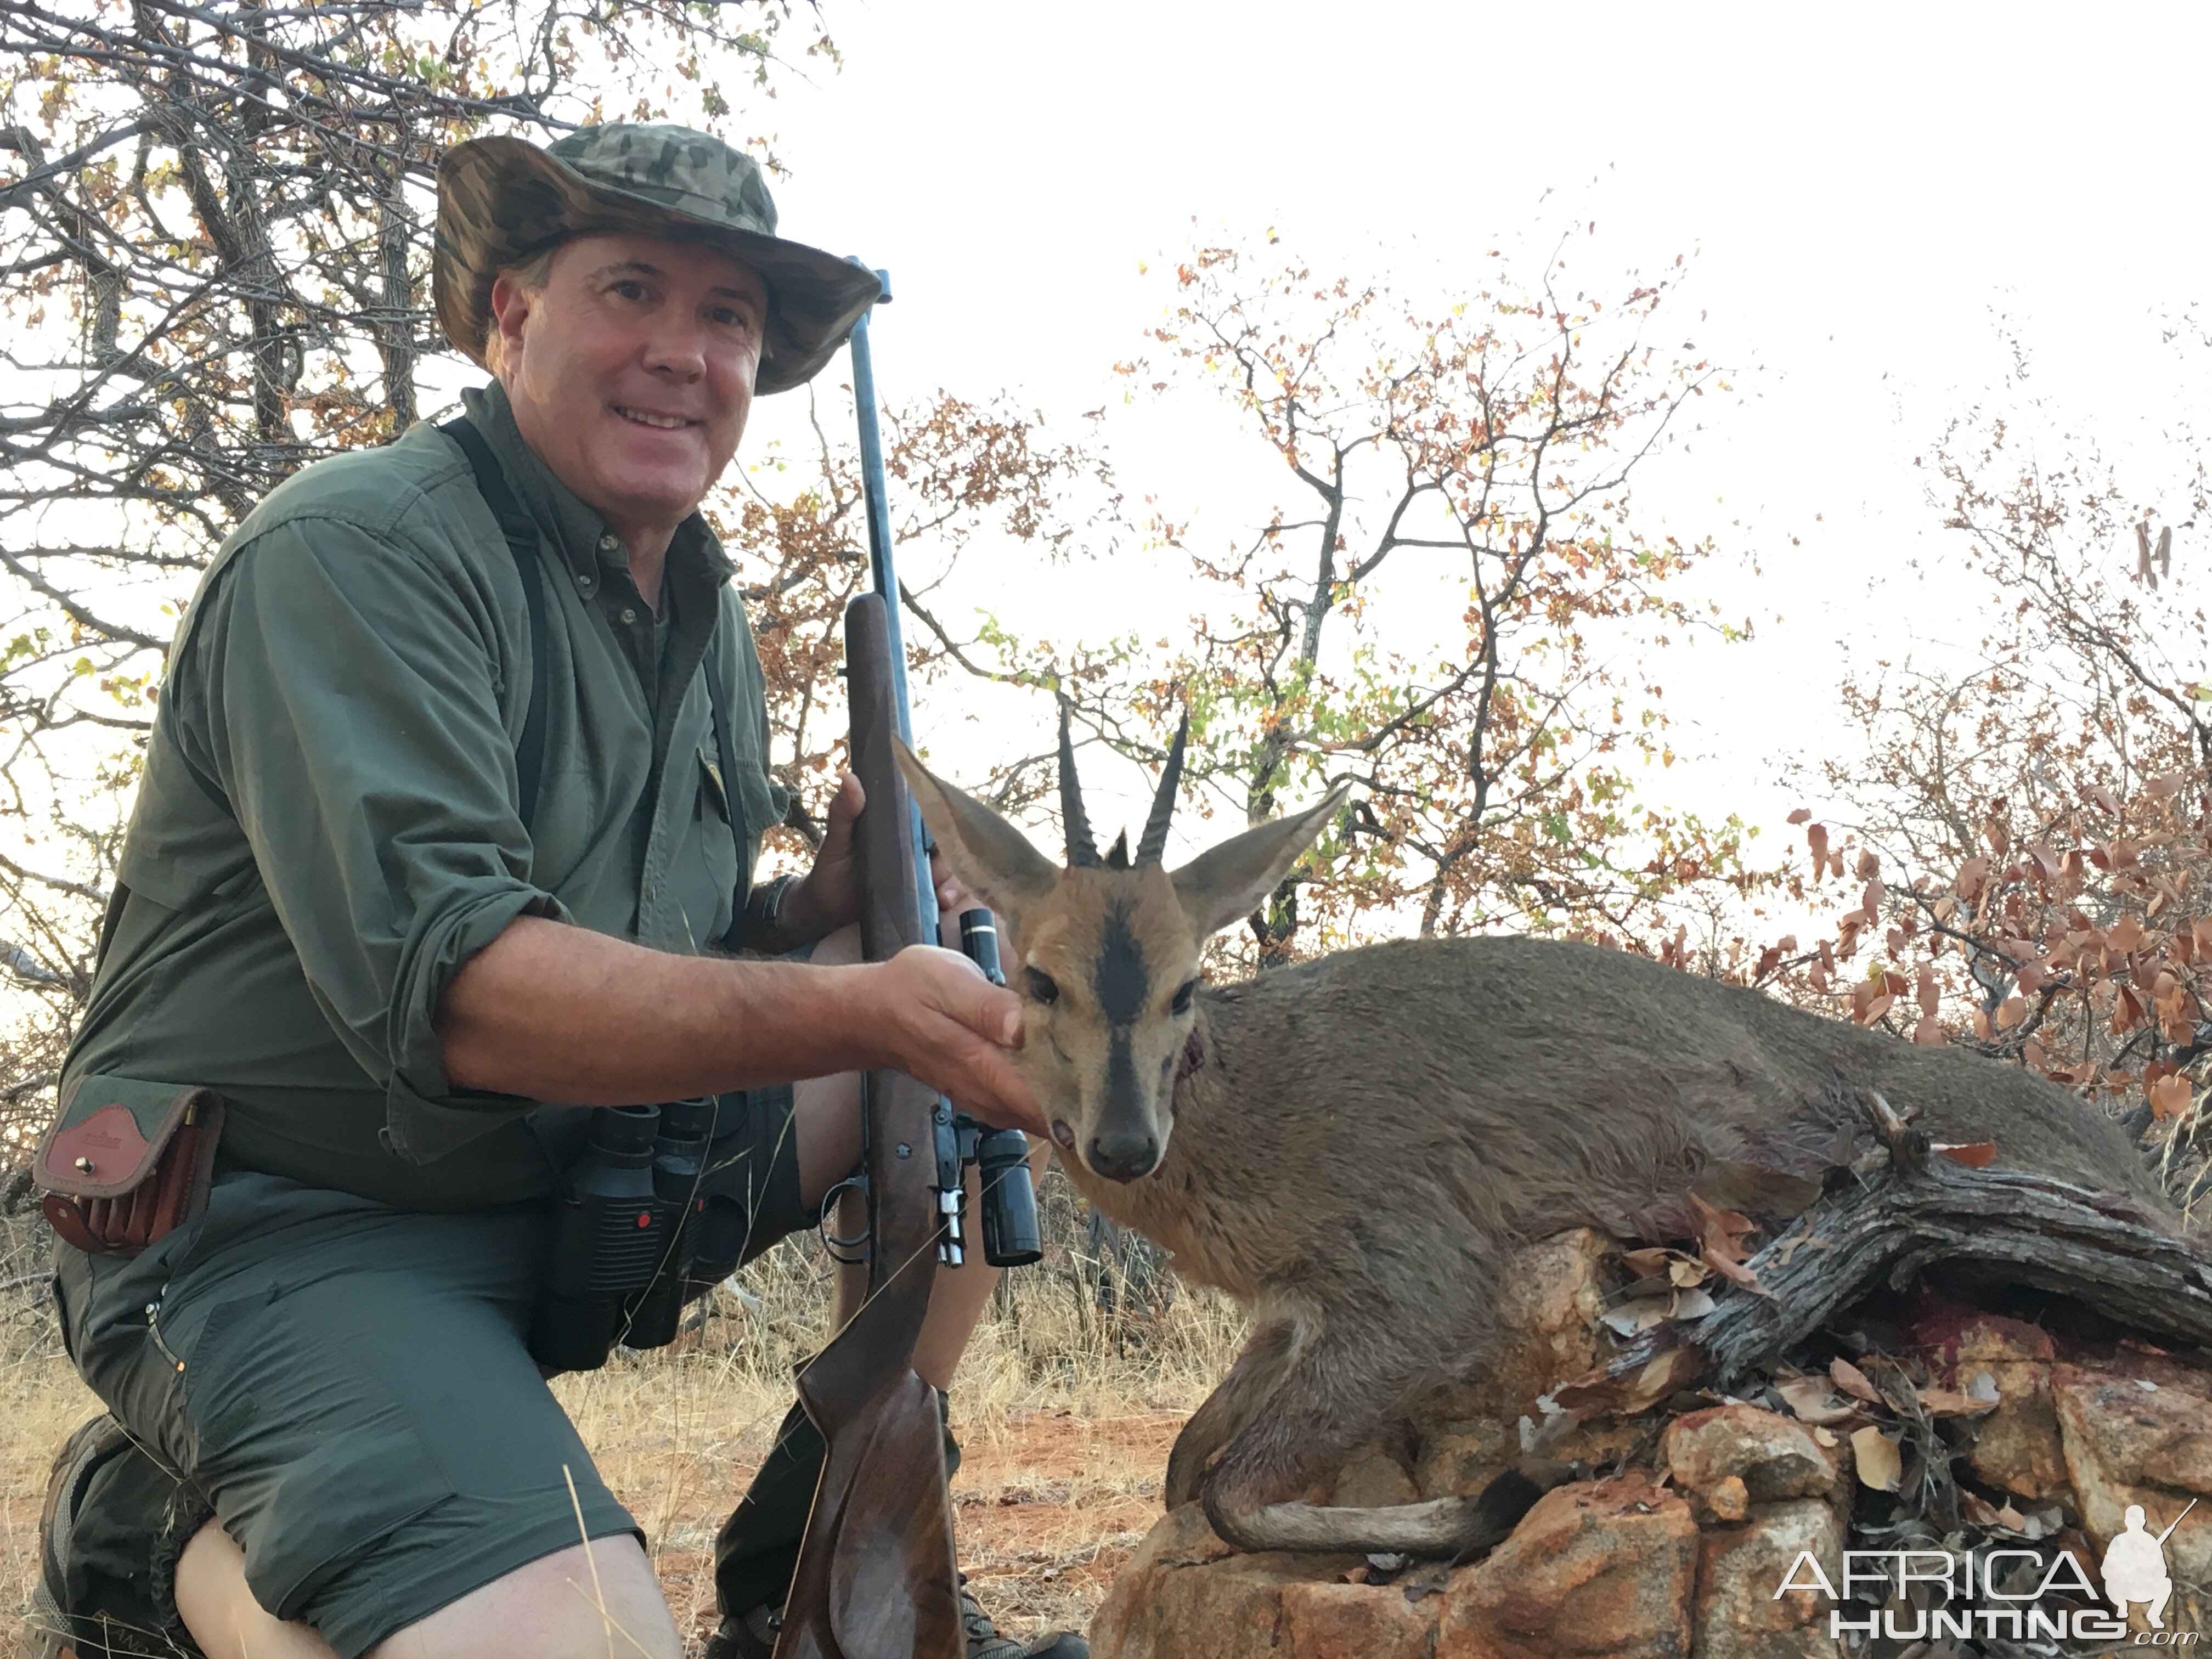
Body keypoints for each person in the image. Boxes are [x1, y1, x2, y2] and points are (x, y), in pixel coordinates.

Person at [29, 123, 1085, 1659]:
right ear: (512, 316)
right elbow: (468, 995)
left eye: (724, 317)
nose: (681, 353)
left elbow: (678, 955)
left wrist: (819, 920)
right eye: (632, 293)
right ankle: (141, 1537)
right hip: (282, 1226)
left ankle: (826, 1569)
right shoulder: (360, 550)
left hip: (574, 1192)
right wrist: (863, 999)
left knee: (956, 1019)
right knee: (582, 1642)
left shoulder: (699, 612)